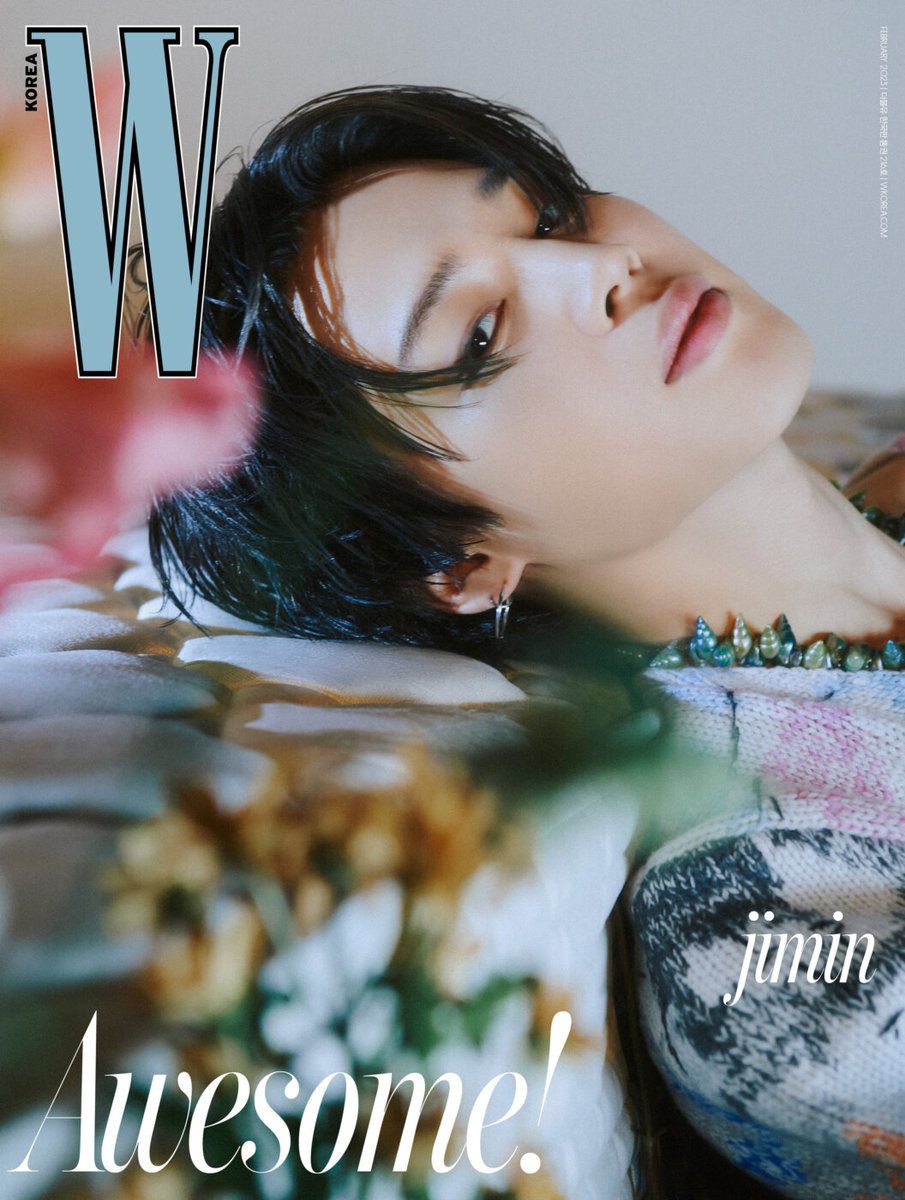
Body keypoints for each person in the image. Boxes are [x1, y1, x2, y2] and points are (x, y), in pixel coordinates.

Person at [145, 84, 905, 667]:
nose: (602, 265)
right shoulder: (747, 811)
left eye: (548, 216)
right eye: (479, 335)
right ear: (459, 564)